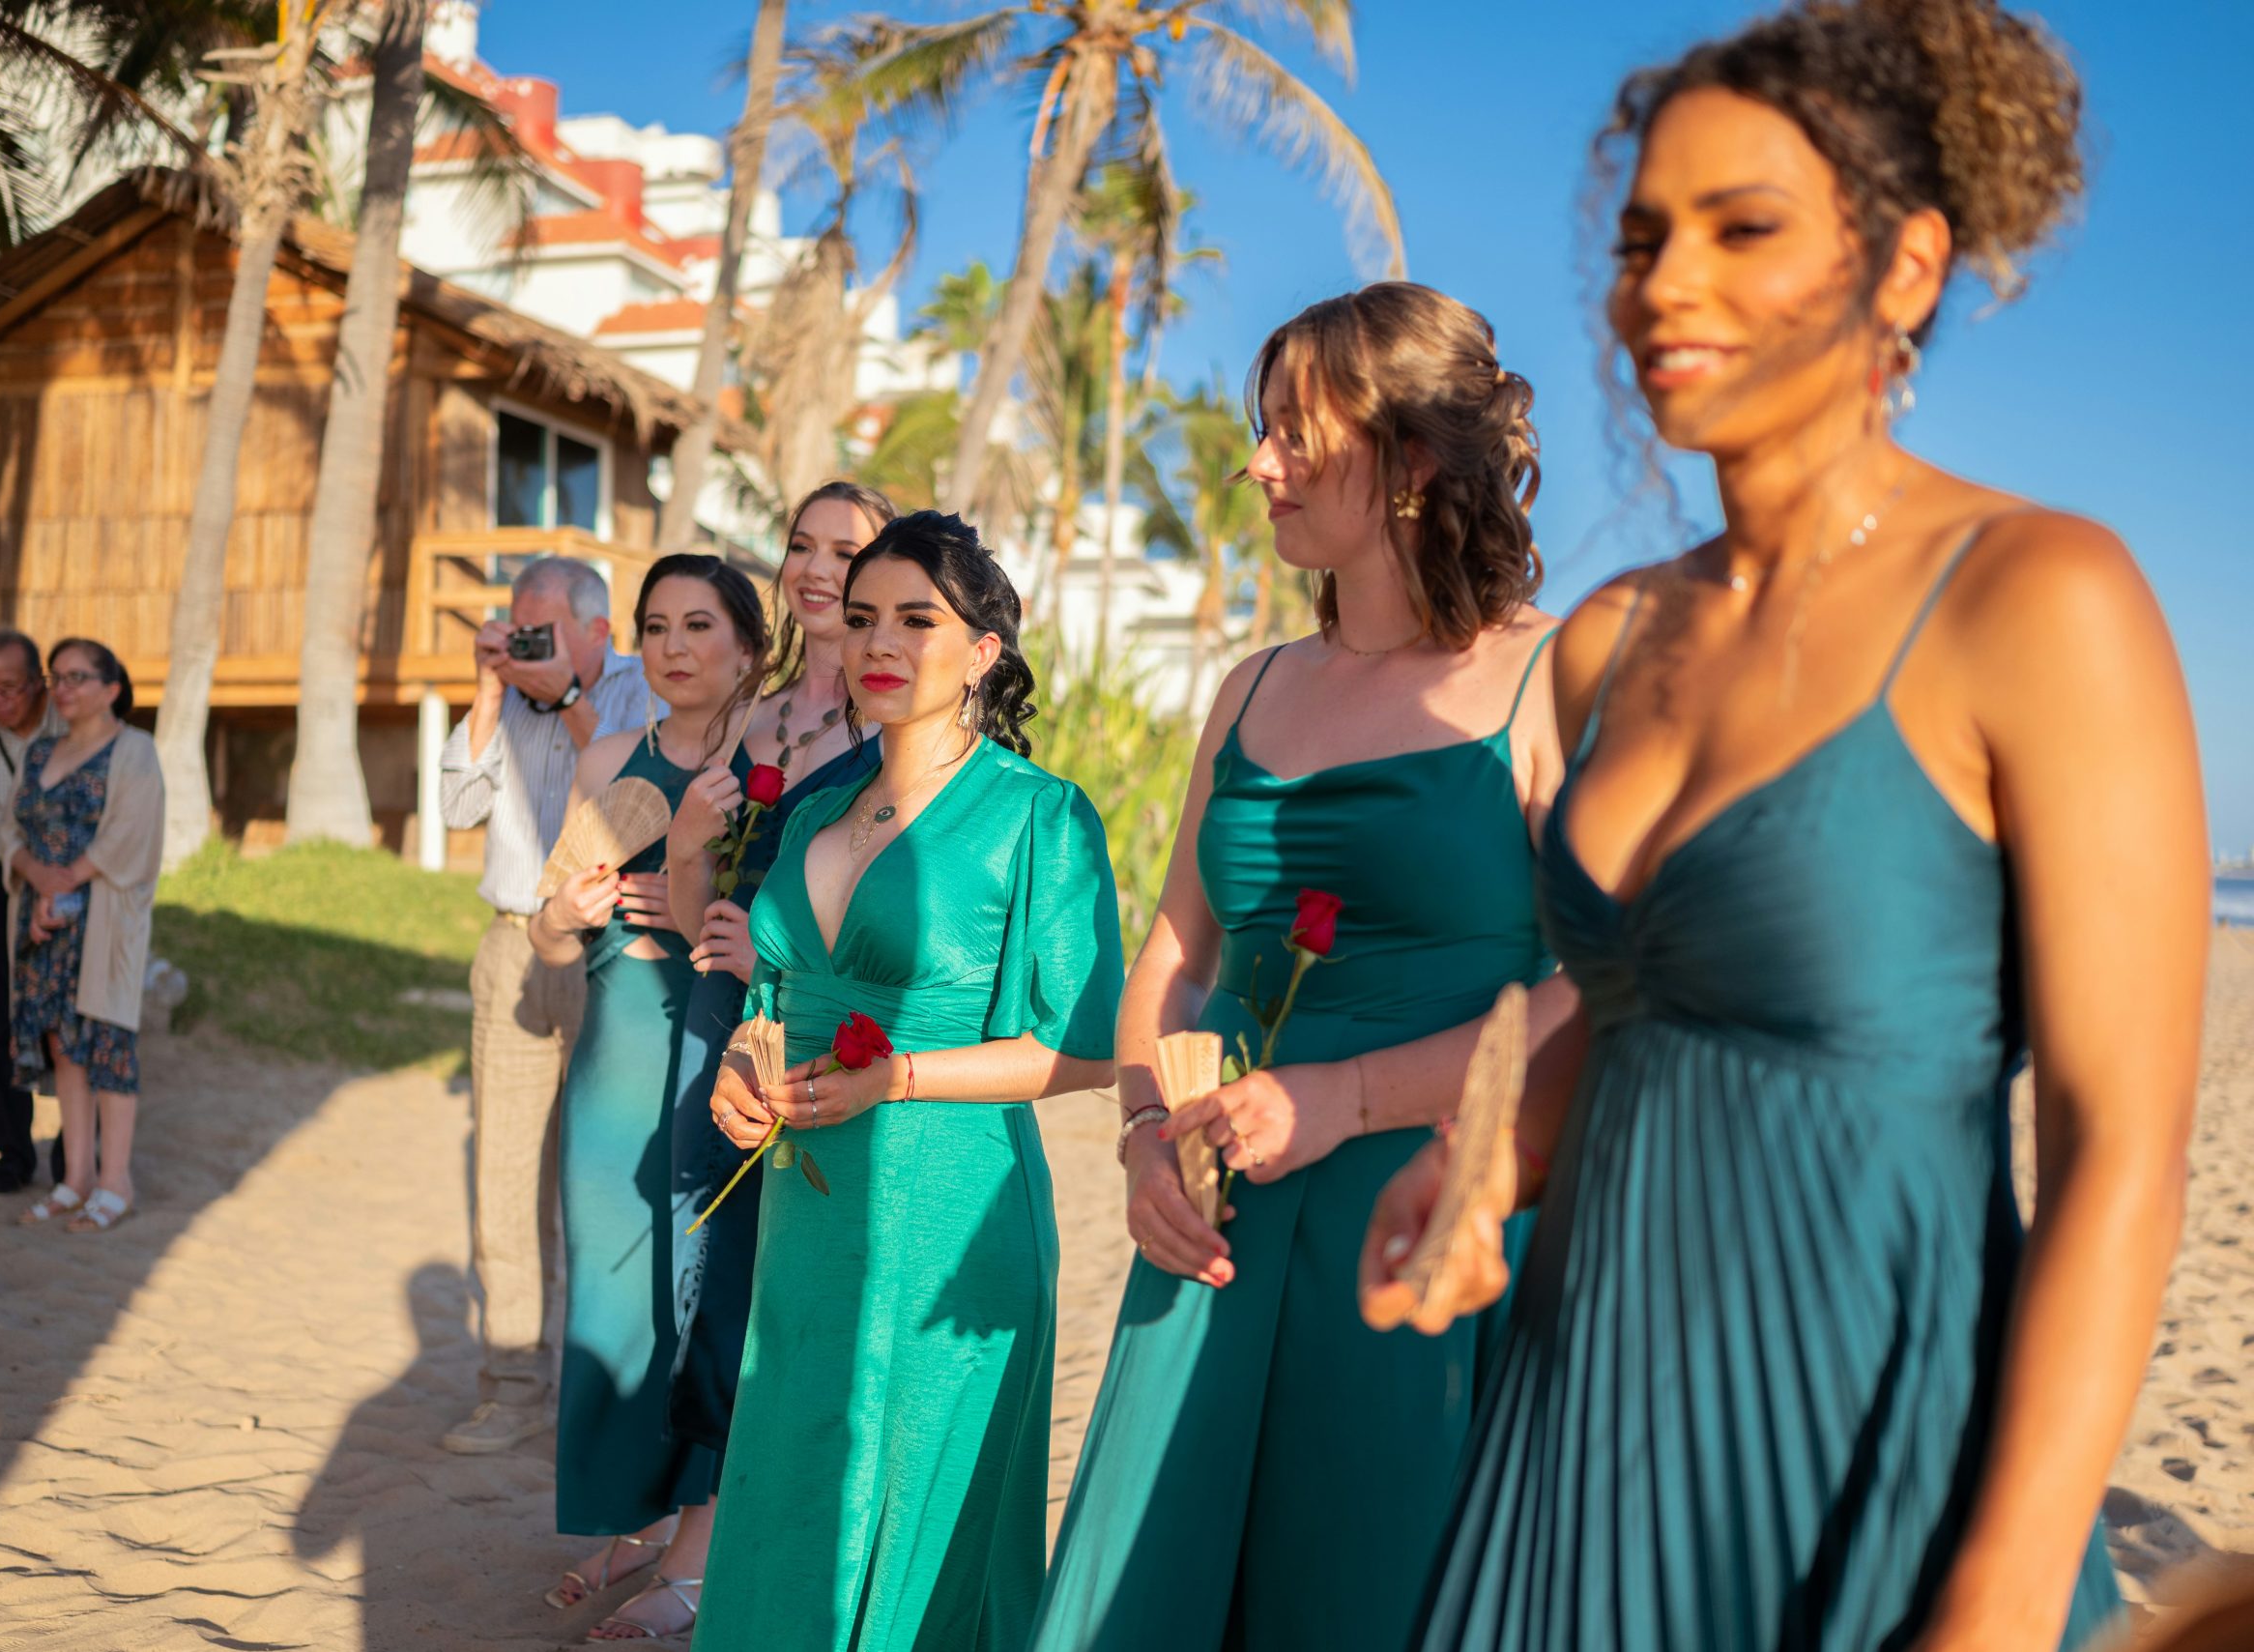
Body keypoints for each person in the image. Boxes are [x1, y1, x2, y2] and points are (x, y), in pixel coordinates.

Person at [1368, 4, 2204, 1648]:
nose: (1663, 283)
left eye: (1743, 228)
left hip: (1880, 1440)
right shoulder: (1608, 638)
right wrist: (1487, 1156)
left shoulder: (2043, 598)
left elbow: (2123, 1148)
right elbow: (1638, 1014)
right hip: (1579, 1430)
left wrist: (2003, 1594)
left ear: (1905, 267)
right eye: (1641, 238)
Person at [1028, 284, 1580, 1651]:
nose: (1255, 464)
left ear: (1411, 460)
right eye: (1256, 430)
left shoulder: (1550, 682)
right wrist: (1147, 1137)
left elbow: (1602, 987)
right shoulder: (1251, 686)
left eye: (1291, 432)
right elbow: (1173, 950)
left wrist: (1343, 1097)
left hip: (1421, 1223)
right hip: (1215, 1228)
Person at [693, 512, 1125, 1652]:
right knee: (792, 1478)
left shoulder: (1038, 816)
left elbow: (1087, 1045)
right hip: (804, 1209)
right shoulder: (819, 812)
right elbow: (773, 994)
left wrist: (900, 1076)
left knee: (918, 1514)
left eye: (918, 620)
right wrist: (743, 1063)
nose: (880, 642)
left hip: (950, 1208)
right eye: (864, 617)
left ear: (983, 649)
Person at [604, 481, 890, 1607]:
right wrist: (688, 853)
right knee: (712, 1272)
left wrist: (775, 934)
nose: (818, 569)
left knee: (798, 1276)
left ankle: (733, 1540)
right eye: (801, 546)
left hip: (822, 1031)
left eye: (847, 552)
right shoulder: (755, 719)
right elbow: (689, 912)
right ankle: (698, 1531)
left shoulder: (894, 717)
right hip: (727, 1018)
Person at [528, 555, 766, 1643]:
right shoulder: (614, 758)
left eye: (700, 624)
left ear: (750, 647)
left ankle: (701, 1545)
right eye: (656, 626)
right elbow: (546, 924)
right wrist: (569, 911)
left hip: (719, 1041)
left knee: (705, 1289)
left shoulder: (781, 766)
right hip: (619, 1042)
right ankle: (641, 1517)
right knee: (618, 1294)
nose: (674, 646)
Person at [437, 555, 660, 1455]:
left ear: (599, 632)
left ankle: (607, 1391)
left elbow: (636, 788)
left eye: (544, 631)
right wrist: (490, 692)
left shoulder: (646, 688)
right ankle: (512, 1384)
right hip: (513, 939)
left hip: (615, 944)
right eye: (516, 627)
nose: (526, 643)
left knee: (614, 1172)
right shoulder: (508, 693)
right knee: (507, 1169)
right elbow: (455, 805)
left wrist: (569, 693)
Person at [7, 640, 164, 1235]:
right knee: (63, 1048)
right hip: (42, 921)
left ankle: (115, 1182)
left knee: (107, 1050)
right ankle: (75, 1179)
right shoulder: (38, 750)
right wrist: (35, 879)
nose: (63, 688)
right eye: (56, 677)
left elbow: (132, 834)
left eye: (77, 676)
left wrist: (64, 882)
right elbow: (9, 829)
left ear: (111, 688)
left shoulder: (135, 750)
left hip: (101, 924)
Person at [0, 627, 66, 1194]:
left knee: (73, 1020)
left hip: (77, 882)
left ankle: (77, 1157)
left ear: (39, 683)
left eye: (11, 689)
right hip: (13, 881)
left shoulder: (71, 719)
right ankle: (12, 1156)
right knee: (0, 1017)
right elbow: (18, 805)